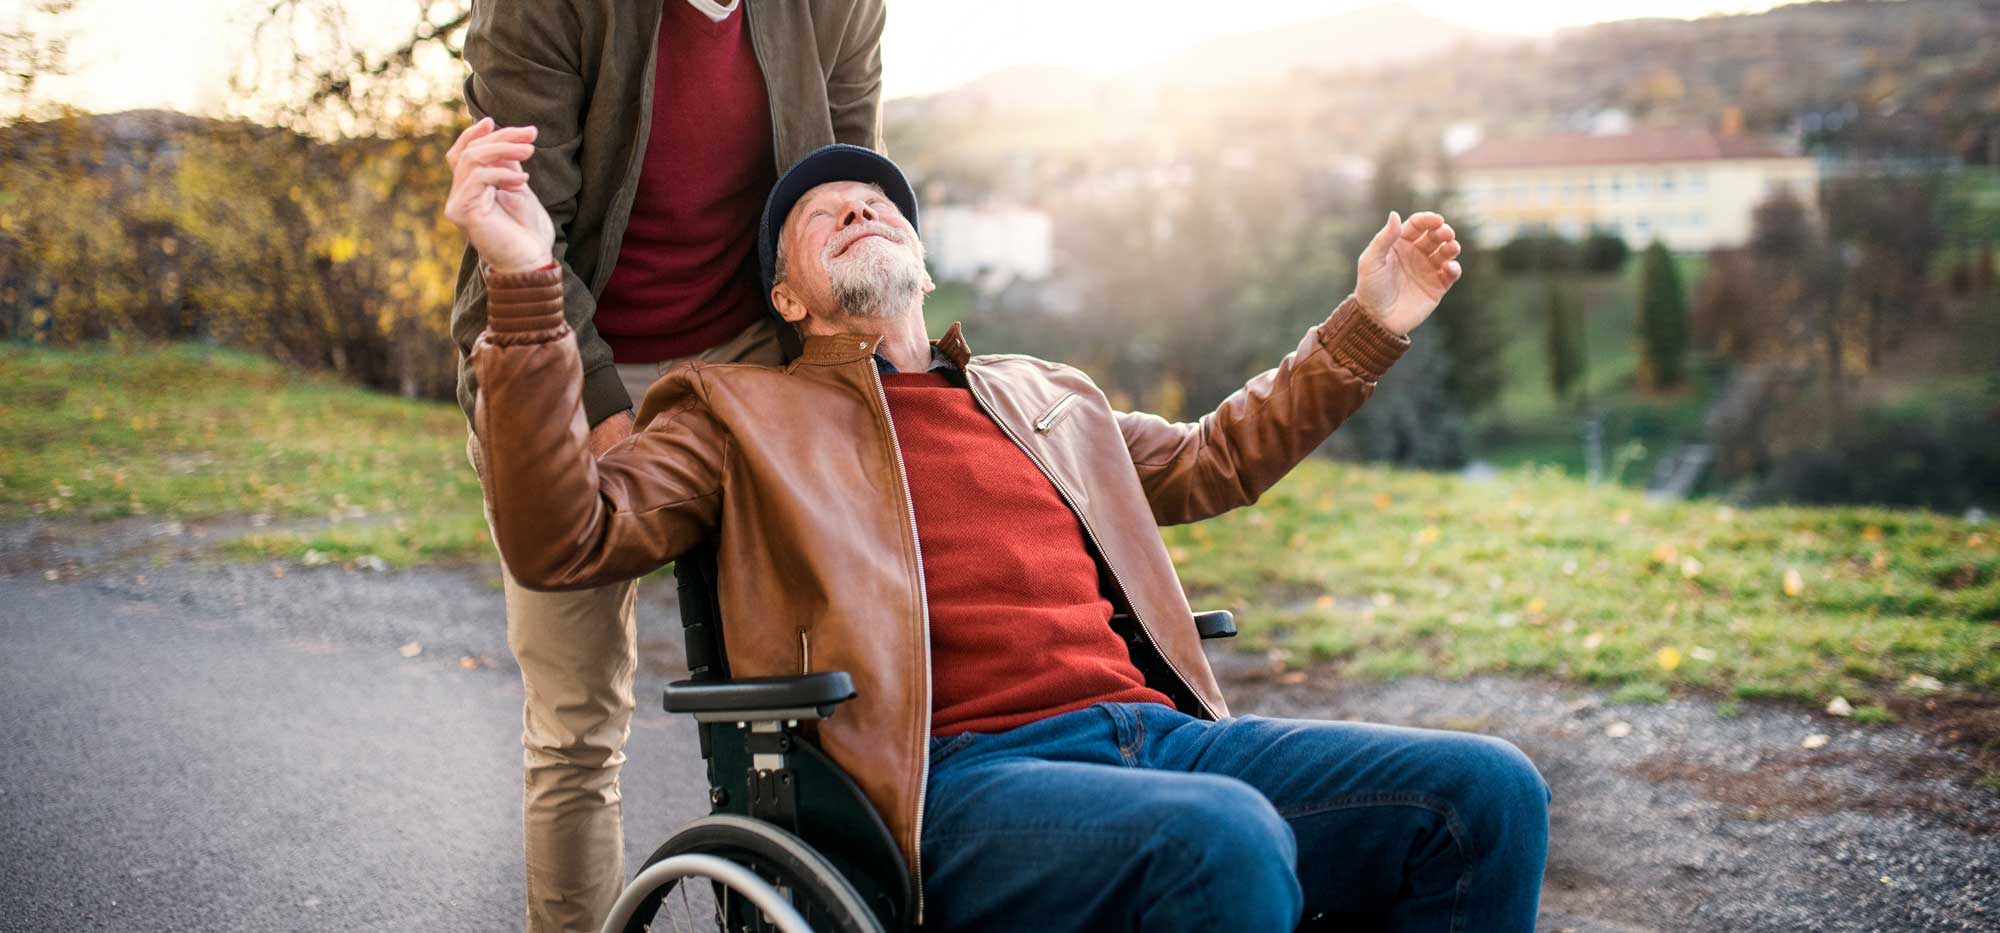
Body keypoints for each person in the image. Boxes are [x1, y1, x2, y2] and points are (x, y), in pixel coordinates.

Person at [445, 131, 1552, 930]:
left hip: (1156, 739)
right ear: (786, 299)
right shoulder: (737, 411)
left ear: (922, 264)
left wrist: (1368, 325)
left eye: (879, 203)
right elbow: (565, 541)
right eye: (822, 214)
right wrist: (524, 283)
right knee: (1220, 837)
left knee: (1485, 795)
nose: (860, 207)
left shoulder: (1043, 395)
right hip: (950, 780)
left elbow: (1220, 457)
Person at [444, 1, 886, 929]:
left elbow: (852, 192)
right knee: (576, 720)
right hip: (558, 350)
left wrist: (877, 383)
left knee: (822, 690)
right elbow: (529, 236)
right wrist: (604, 413)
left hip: (748, 346)